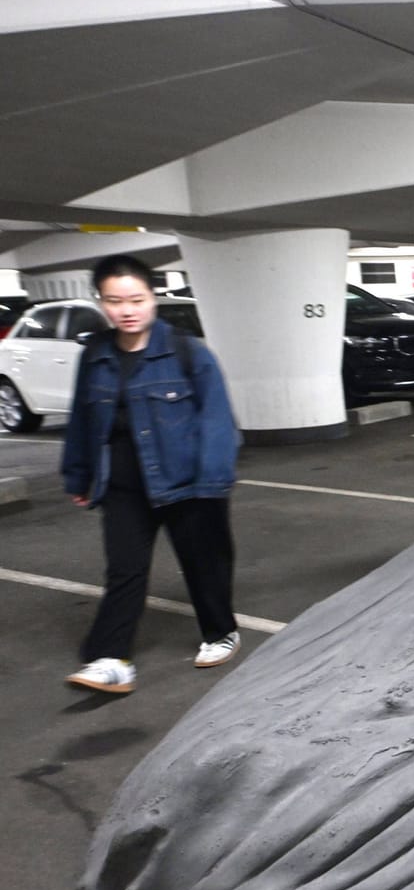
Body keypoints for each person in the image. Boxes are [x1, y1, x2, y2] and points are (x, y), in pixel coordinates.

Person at [61, 254, 242, 694]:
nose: (126, 310)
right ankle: (111, 659)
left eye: (136, 299)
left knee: (204, 565)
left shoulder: (186, 352)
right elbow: (82, 420)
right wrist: (79, 477)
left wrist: (212, 483)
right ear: (101, 302)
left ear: (153, 298)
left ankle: (220, 632)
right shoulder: (95, 355)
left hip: (188, 482)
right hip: (123, 485)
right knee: (124, 569)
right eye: (114, 300)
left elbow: (217, 420)